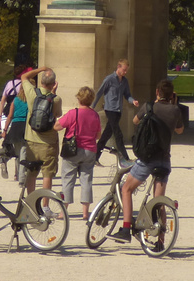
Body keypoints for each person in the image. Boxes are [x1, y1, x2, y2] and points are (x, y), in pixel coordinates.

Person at [112, 79, 184, 242]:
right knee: (158, 201)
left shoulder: (149, 106)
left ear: (157, 92)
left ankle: (126, 228)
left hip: (147, 159)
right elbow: (180, 130)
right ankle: (161, 241)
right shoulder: (175, 110)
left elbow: (135, 121)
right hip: (164, 159)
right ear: (172, 95)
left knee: (127, 189)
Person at [56, 85, 101, 218]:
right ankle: (85, 212)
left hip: (73, 150)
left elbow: (57, 126)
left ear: (78, 98)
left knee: (68, 179)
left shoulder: (73, 113)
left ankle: (63, 211)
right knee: (86, 180)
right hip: (90, 150)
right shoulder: (95, 115)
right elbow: (98, 135)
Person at [22, 67, 62, 193]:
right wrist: (53, 94)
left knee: (31, 174)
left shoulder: (32, 94)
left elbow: (24, 77)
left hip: (31, 140)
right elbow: (57, 114)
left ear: (41, 82)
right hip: (48, 142)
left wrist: (41, 69)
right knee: (47, 175)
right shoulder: (56, 99)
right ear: (53, 83)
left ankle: (30, 202)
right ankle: (45, 205)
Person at [93, 59, 139, 163]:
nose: (125, 72)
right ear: (118, 67)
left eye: (126, 70)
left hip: (118, 110)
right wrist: (92, 107)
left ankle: (95, 157)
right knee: (118, 134)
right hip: (110, 109)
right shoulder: (109, 79)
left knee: (106, 135)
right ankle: (125, 158)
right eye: (124, 70)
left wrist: (133, 101)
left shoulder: (125, 81)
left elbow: (127, 95)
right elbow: (99, 93)